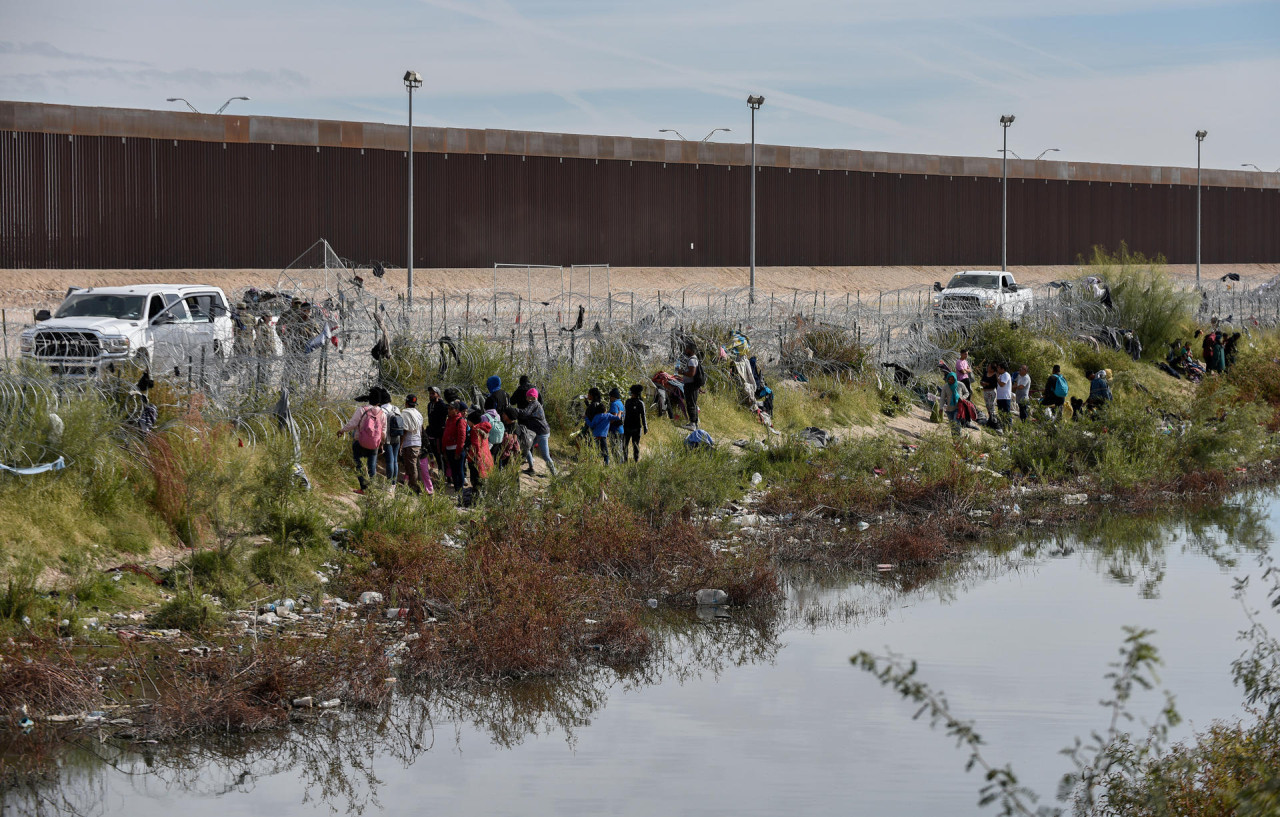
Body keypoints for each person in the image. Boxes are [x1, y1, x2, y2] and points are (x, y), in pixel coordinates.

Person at [338, 391, 386, 494]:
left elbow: (352, 424)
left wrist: (342, 430)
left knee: (359, 465)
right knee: (372, 467)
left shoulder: (362, 410)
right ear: (379, 402)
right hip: (374, 444)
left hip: (359, 442)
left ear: (369, 399)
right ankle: (371, 490)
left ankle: (363, 489)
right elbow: (384, 431)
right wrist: (381, 443)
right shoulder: (382, 414)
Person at [506, 387, 556, 476]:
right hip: (538, 431)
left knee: (545, 456)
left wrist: (514, 410)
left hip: (542, 432)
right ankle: (531, 468)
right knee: (526, 447)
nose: (526, 398)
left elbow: (525, 413)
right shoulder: (535, 404)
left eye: (527, 396)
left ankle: (555, 475)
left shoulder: (534, 404)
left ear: (531, 397)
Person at [399, 394, 426, 495]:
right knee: (413, 466)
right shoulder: (418, 414)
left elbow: (405, 430)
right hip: (417, 442)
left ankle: (415, 488)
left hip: (409, 443)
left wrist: (401, 445)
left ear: (406, 403)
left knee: (412, 466)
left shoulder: (405, 413)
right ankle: (414, 486)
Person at [583, 387, 617, 464]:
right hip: (601, 432)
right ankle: (605, 463)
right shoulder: (599, 404)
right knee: (603, 448)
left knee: (591, 445)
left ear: (591, 395)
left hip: (593, 429)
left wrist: (586, 418)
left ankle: (590, 460)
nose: (587, 395)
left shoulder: (593, 405)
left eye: (588, 394)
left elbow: (590, 415)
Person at [441, 399, 469, 492]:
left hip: (457, 450)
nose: (449, 410)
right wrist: (444, 450)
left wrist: (458, 451)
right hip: (449, 449)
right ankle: (457, 489)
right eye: (448, 409)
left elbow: (462, 437)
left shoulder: (460, 421)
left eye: (451, 409)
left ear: (456, 410)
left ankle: (460, 490)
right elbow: (445, 435)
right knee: (453, 470)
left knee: (459, 470)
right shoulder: (449, 420)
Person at [465, 409, 494, 494]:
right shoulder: (482, 429)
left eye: (468, 420)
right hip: (485, 456)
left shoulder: (475, 430)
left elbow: (475, 445)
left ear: (472, 421)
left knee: (476, 480)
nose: (467, 422)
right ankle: (482, 496)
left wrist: (471, 458)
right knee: (482, 479)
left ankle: (477, 498)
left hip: (476, 458)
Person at [677, 341, 703, 429]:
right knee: (693, 403)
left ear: (690, 350)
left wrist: (682, 372)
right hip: (693, 385)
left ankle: (692, 424)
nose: (685, 350)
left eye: (687, 348)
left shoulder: (692, 360)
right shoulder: (694, 359)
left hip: (691, 386)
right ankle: (695, 423)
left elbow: (692, 373)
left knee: (690, 404)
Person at [379, 389, 402, 484]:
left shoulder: (381, 411)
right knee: (395, 460)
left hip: (387, 439)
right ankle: (394, 483)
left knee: (389, 461)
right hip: (397, 437)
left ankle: (390, 482)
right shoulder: (396, 408)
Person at [622, 383, 648, 462]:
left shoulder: (635, 403)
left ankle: (633, 460)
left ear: (633, 393)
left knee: (631, 445)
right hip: (631, 427)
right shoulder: (634, 402)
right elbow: (643, 416)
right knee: (630, 445)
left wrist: (645, 426)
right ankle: (629, 460)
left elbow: (643, 416)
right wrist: (645, 427)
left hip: (632, 428)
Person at [424, 386, 447, 473]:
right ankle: (438, 471)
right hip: (432, 433)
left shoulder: (441, 405)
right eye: (430, 393)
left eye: (433, 393)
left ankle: (443, 474)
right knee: (434, 453)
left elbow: (445, 413)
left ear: (438, 394)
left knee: (440, 454)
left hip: (439, 434)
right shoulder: (430, 405)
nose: (431, 395)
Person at [607, 386, 625, 459]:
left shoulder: (614, 404)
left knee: (615, 449)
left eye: (610, 397)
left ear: (613, 397)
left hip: (615, 430)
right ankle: (621, 465)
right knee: (620, 448)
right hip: (621, 429)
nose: (610, 399)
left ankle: (618, 465)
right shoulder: (621, 403)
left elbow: (613, 417)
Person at [980, 363, 998, 427]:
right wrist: (982, 383)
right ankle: (990, 419)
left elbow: (994, 384)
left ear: (993, 369)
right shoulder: (985, 373)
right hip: (985, 391)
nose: (988, 368)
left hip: (991, 391)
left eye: (989, 367)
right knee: (987, 405)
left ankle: (994, 421)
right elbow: (982, 379)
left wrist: (987, 384)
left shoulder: (995, 375)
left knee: (992, 406)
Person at [994, 362, 1013, 427]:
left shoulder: (1006, 375)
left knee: (1006, 413)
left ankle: (1009, 426)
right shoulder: (1001, 375)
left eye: (999, 368)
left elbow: (1002, 384)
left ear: (1003, 369)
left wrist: (997, 378)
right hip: (1000, 397)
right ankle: (1003, 425)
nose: (997, 369)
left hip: (1005, 397)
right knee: (1001, 413)